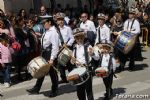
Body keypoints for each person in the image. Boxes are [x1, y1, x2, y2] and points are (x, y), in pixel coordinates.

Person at [27, 15, 59, 97]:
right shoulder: (47, 31)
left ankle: (55, 90)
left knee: (53, 73)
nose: (43, 24)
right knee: (42, 70)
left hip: (50, 54)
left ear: (49, 22)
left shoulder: (53, 32)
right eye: (43, 23)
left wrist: (52, 59)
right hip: (44, 53)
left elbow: (55, 47)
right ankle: (36, 88)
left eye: (44, 23)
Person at [71, 28, 99, 100]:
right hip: (78, 70)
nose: (79, 39)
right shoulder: (75, 47)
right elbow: (73, 60)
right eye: (77, 38)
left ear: (84, 37)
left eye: (81, 37)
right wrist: (72, 61)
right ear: (75, 38)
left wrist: (92, 54)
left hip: (87, 69)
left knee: (88, 90)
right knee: (79, 91)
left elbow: (97, 58)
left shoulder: (88, 46)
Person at [116, 7, 141, 71]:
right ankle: (121, 66)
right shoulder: (126, 21)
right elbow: (124, 29)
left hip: (133, 40)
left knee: (132, 54)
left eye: (131, 14)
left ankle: (131, 66)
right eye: (129, 13)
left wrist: (130, 31)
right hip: (126, 40)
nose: (130, 15)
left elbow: (138, 31)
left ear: (134, 15)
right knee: (123, 53)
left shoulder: (136, 22)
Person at [56, 12, 74, 83]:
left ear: (64, 20)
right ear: (57, 21)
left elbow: (72, 38)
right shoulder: (55, 30)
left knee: (69, 64)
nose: (60, 21)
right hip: (60, 48)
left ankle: (72, 77)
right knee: (60, 65)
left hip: (67, 48)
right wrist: (59, 44)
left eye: (62, 19)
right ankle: (63, 78)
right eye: (59, 20)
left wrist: (68, 44)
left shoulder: (68, 28)